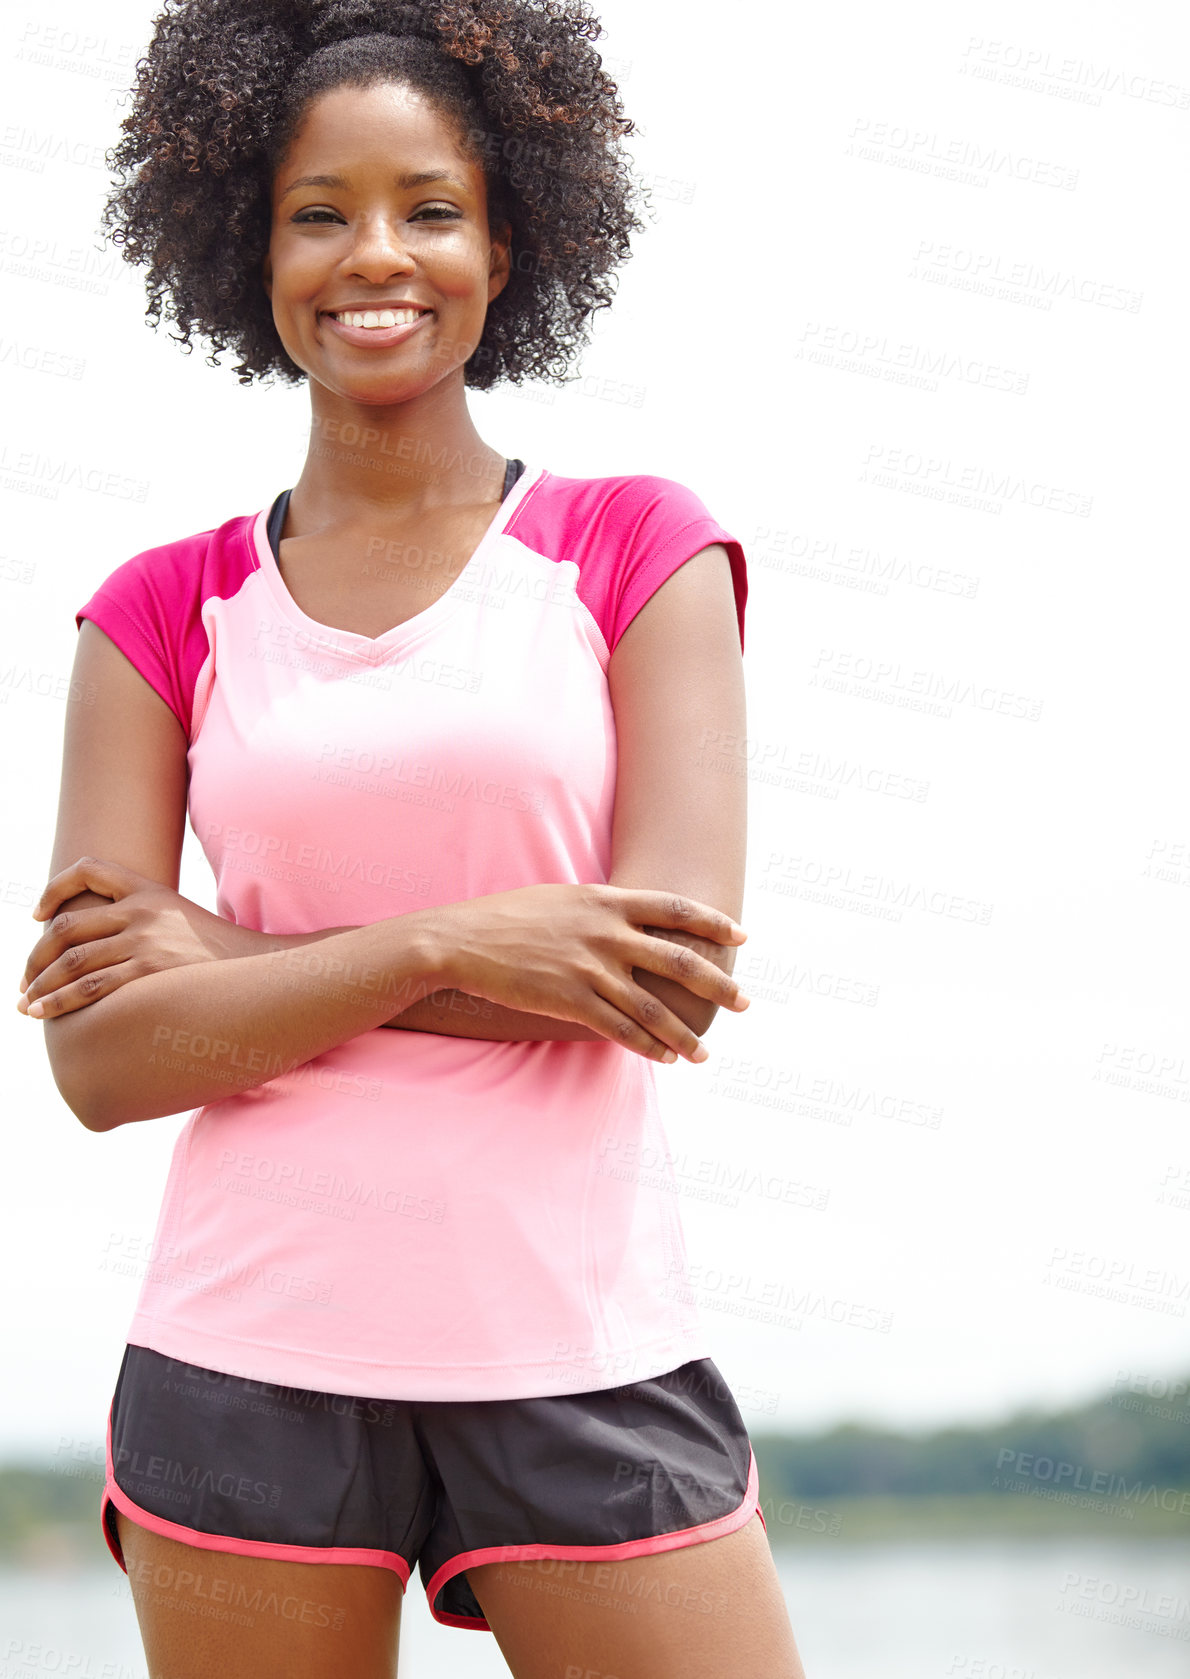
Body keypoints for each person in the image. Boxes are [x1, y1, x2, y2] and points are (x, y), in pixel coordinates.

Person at [20, 2, 808, 1674]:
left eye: (429, 206)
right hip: (244, 1358)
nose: (375, 254)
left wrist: (237, 961)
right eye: (320, 210)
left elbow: (661, 975)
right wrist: (453, 941)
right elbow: (99, 1060)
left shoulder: (632, 547)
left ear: (507, 236)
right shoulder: (158, 610)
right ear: (251, 240)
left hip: (577, 1342)